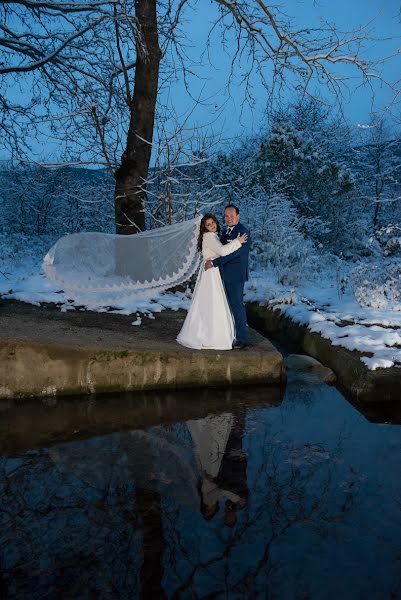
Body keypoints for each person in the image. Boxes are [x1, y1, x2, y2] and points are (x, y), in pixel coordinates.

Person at [176, 213, 248, 350]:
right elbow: (221, 251)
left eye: (213, 222)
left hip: (211, 272)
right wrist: (237, 242)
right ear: (204, 228)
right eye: (208, 224)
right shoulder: (209, 237)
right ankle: (212, 335)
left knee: (208, 303)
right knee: (213, 303)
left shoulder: (213, 236)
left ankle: (208, 331)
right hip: (211, 274)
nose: (212, 225)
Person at [205, 205, 250, 349]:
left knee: (237, 306)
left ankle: (241, 338)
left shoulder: (243, 232)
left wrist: (214, 262)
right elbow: (220, 250)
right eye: (226, 216)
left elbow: (232, 254)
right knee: (226, 306)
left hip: (235, 276)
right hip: (222, 275)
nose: (229, 218)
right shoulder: (224, 232)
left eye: (232, 215)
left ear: (238, 216)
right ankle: (229, 334)